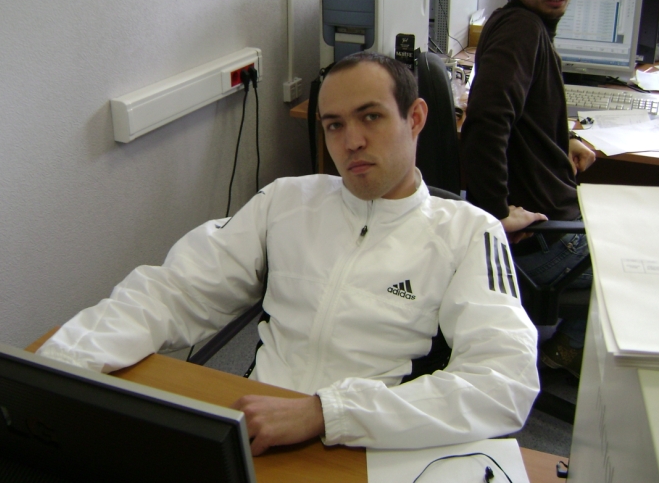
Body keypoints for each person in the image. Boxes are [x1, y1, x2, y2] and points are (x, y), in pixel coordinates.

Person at [37, 51, 539, 456]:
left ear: (416, 118)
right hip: (256, 430)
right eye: (334, 125)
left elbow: (504, 382)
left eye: (371, 117)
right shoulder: (287, 202)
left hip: (370, 445)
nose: (352, 141)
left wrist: (327, 412)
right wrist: (62, 362)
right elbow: (174, 291)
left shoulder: (469, 232)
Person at [460, 0, 596, 379]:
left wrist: (561, 137)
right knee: (636, 263)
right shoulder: (523, 29)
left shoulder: (520, 24)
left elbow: (516, 113)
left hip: (546, 220)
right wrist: (494, 216)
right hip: (545, 237)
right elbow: (485, 122)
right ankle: (563, 352)